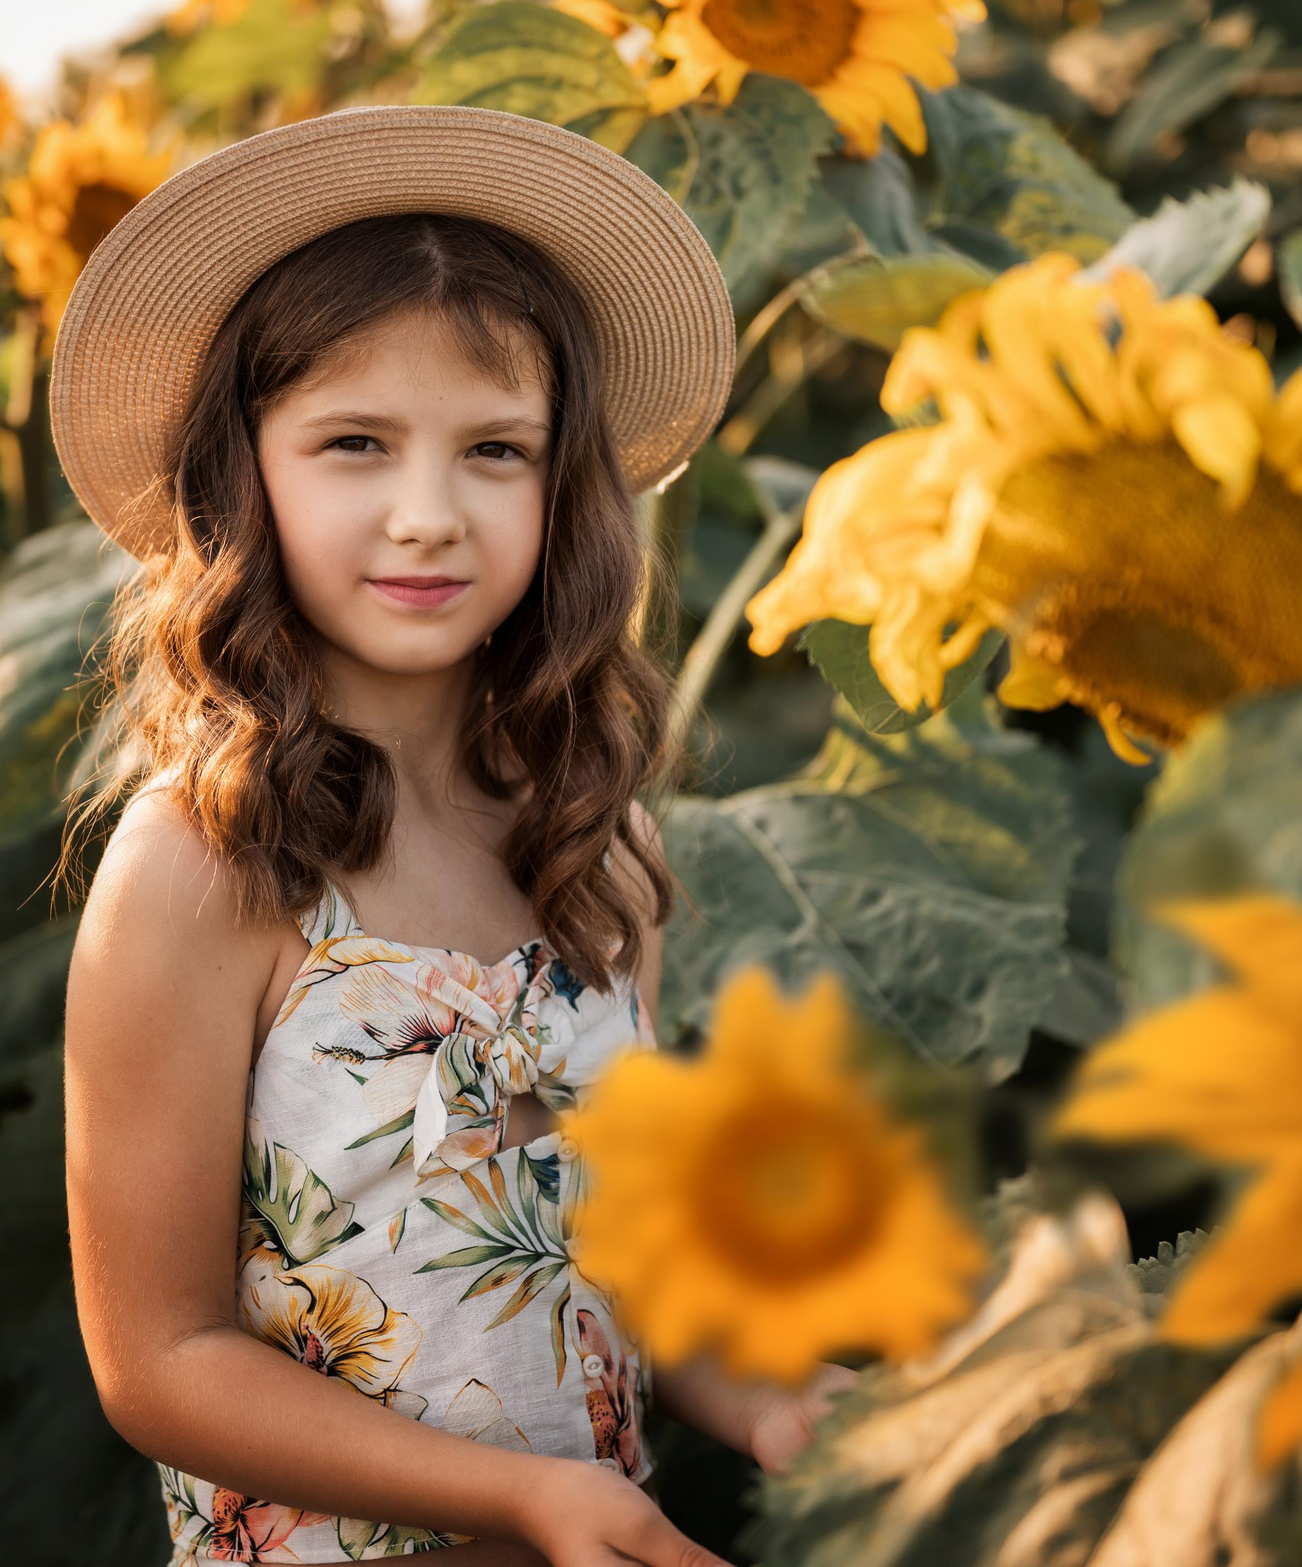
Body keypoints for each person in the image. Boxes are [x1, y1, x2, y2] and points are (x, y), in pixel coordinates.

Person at [55, 106, 851, 1566]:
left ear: (567, 487)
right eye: (355, 443)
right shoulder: (202, 866)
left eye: (496, 450)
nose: (429, 515)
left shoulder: (595, 851)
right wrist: (522, 1495)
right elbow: (158, 1360)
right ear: (245, 472)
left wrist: (786, 1402)